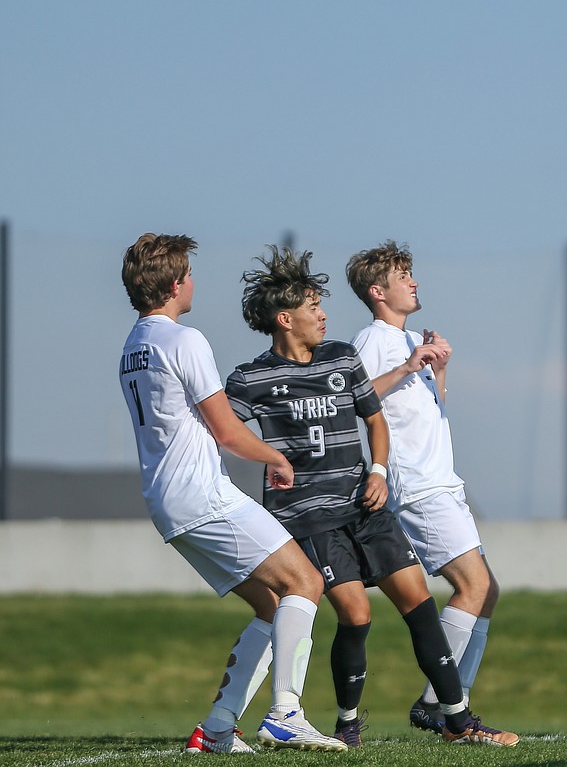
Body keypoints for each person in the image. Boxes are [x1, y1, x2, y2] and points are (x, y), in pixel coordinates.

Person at [224, 245, 519, 748]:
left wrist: (379, 467)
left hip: (369, 500)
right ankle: (353, 719)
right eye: (313, 306)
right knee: (360, 615)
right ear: (284, 318)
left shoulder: (340, 354)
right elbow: (220, 427)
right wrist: (268, 461)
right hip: (323, 513)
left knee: (430, 602)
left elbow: (378, 417)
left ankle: (455, 716)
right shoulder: (262, 374)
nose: (322, 313)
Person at [117, 233, 346, 754]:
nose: (193, 282)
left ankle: (219, 727)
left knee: (272, 604)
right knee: (304, 582)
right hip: (200, 494)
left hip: (166, 501)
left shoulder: (134, 345)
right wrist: (277, 457)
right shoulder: (184, 339)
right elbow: (226, 430)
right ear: (176, 284)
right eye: (189, 274)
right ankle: (286, 714)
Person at [346, 241, 508, 738]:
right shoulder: (374, 338)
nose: (413, 282)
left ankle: (450, 703)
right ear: (378, 291)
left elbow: (429, 409)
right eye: (402, 275)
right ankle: (439, 705)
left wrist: (437, 369)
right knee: (473, 587)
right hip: (417, 486)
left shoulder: (411, 338)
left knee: (488, 592)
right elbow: (357, 396)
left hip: (441, 481)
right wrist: (411, 363)